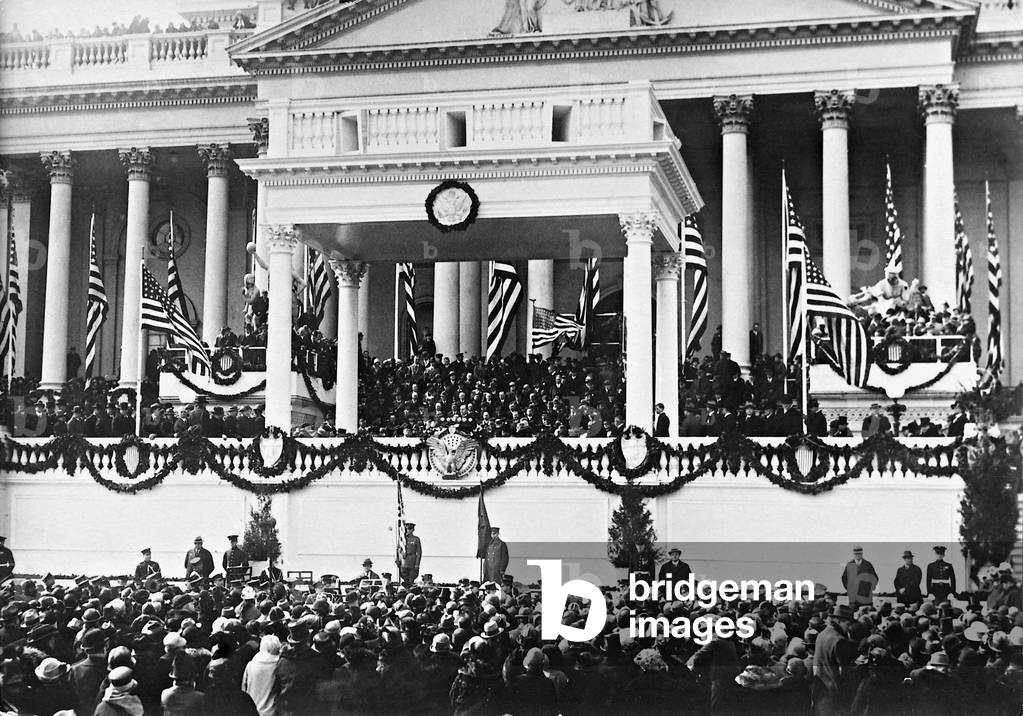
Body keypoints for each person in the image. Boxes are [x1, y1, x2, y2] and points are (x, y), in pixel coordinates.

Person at [812, 604, 855, 716]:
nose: (849, 628)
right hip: (834, 692)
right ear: (838, 621)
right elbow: (845, 672)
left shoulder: (822, 634)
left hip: (819, 687)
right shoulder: (840, 640)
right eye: (848, 624)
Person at [242, 634, 282, 716]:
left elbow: (244, 689)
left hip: (252, 711)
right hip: (272, 712)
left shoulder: (250, 665)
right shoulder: (279, 665)